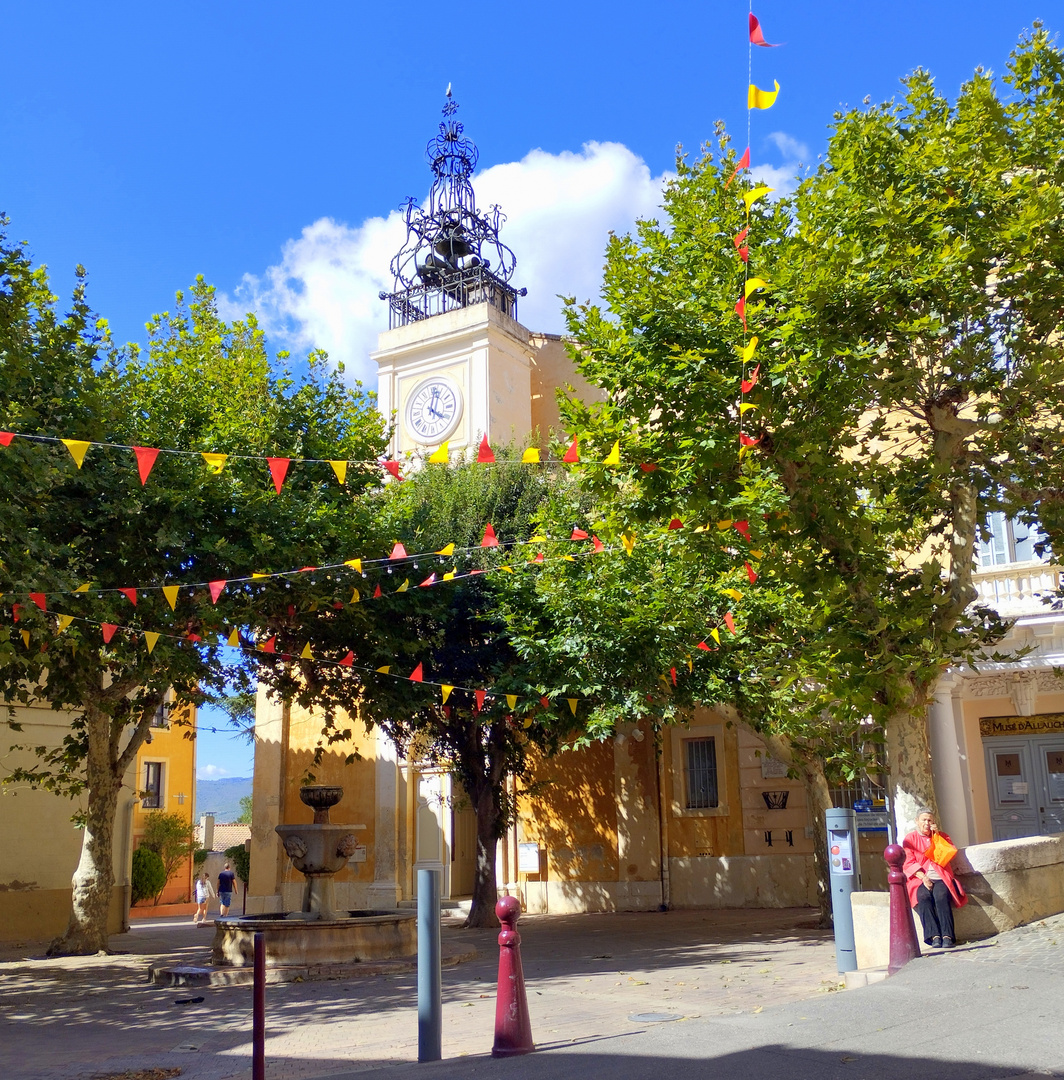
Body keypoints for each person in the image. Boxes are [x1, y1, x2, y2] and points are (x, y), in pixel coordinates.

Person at [902, 807, 967, 949]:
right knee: (923, 897)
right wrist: (924, 878)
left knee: (941, 896)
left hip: (940, 876)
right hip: (920, 877)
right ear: (917, 821)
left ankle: (948, 935)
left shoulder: (942, 836)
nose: (926, 823)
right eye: (923, 820)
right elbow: (909, 862)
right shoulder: (910, 839)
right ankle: (934, 936)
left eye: (929, 820)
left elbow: (948, 853)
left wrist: (937, 836)